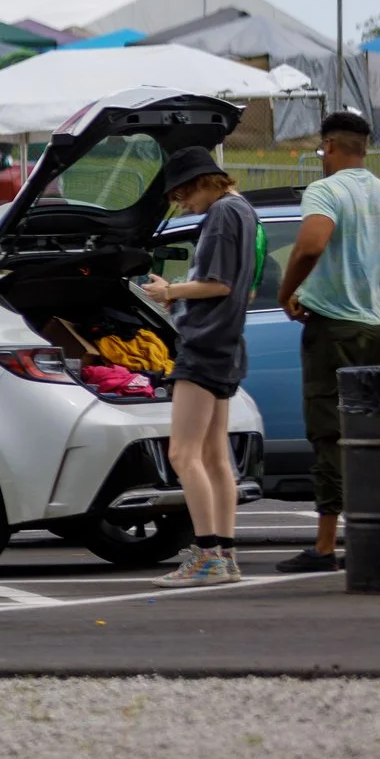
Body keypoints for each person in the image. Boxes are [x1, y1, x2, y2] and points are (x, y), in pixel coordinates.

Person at [275, 111, 380, 574]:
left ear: (331, 147)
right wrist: (373, 286)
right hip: (375, 329)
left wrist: (287, 291)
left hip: (333, 328)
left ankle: (323, 546)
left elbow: (312, 244)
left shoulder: (327, 190)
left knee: (328, 434)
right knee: (375, 435)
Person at [141, 147, 260, 588]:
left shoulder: (222, 216)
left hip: (204, 344)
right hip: (228, 344)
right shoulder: (244, 210)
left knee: (183, 453)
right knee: (215, 456)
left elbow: (217, 284)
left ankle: (208, 556)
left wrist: (169, 291)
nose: (182, 203)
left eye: (183, 193)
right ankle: (224, 555)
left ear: (202, 182)